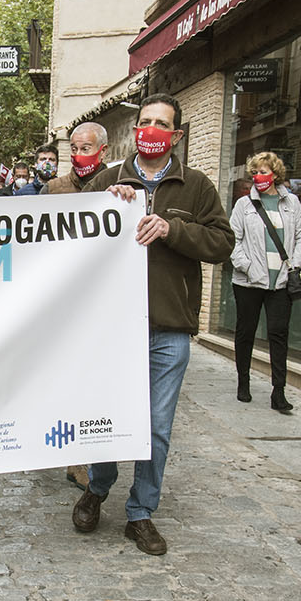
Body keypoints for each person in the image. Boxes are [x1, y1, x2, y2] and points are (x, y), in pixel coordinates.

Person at [71, 93, 234, 555]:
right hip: (110, 327)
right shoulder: (107, 179)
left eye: (162, 123)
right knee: (104, 417)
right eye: (145, 122)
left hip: (168, 327)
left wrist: (171, 229)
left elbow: (222, 243)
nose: (151, 130)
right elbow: (71, 242)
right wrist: (105, 203)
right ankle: (98, 488)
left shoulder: (197, 186)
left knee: (156, 426)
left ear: (177, 134)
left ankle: (140, 513)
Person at [228, 151, 301, 414]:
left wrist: (294, 265)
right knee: (245, 333)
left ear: (275, 174)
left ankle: (279, 391)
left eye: (263, 172)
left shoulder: (292, 203)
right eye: (254, 173)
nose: (258, 177)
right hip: (249, 282)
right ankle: (243, 382)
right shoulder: (244, 205)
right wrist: (248, 267)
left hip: (281, 282)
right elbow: (233, 241)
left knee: (278, 334)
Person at [42, 123, 109, 194]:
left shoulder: (116, 184)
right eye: (74, 149)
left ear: (103, 151)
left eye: (85, 149)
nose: (78, 155)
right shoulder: (52, 189)